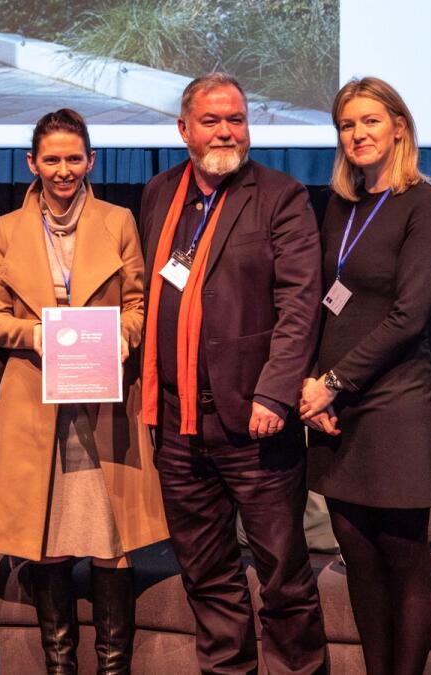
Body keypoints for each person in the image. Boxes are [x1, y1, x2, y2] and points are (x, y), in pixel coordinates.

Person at [138, 73, 328, 674]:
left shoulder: (280, 195)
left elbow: (300, 305)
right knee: (207, 576)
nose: (226, 131)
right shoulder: (159, 192)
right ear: (183, 129)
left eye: (236, 119)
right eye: (212, 121)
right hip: (177, 425)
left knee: (284, 579)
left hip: (255, 422)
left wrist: (275, 392)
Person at [0, 109, 168, 674]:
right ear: (31, 164)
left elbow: (139, 305)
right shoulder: (8, 229)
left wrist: (118, 338)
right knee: (49, 537)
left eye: (74, 159)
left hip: (103, 396)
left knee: (111, 539)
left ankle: (113, 668)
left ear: (91, 162)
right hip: (36, 399)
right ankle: (60, 666)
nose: (63, 170)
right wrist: (38, 334)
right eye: (52, 159)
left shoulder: (118, 220)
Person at [299, 76, 431, 675]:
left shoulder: (426, 205)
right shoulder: (341, 204)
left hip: (396, 403)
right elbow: (320, 302)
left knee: (402, 556)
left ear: (399, 127)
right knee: (357, 557)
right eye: (346, 124)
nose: (357, 134)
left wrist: (333, 383)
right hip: (337, 406)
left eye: (369, 121)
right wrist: (313, 385)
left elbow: (408, 316)